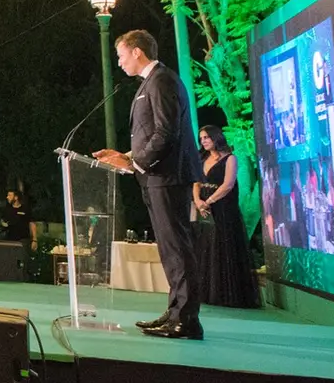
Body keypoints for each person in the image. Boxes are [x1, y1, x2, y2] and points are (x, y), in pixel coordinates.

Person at [95, 30, 206, 338]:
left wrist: (136, 162)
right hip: (157, 176)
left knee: (177, 248)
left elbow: (166, 132)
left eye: (120, 56)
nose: (118, 63)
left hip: (167, 177)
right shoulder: (152, 82)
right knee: (170, 249)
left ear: (137, 52)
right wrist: (125, 156)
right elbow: (152, 134)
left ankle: (187, 320)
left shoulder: (162, 80)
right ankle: (175, 313)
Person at [195, 125, 259, 309]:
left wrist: (210, 201)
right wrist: (198, 201)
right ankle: (207, 291)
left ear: (216, 137)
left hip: (223, 207)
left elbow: (228, 185)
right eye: (202, 138)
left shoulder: (230, 159)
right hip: (204, 207)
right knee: (207, 244)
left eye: (206, 137)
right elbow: (196, 182)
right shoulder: (203, 158)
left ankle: (227, 294)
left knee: (224, 245)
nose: (204, 141)